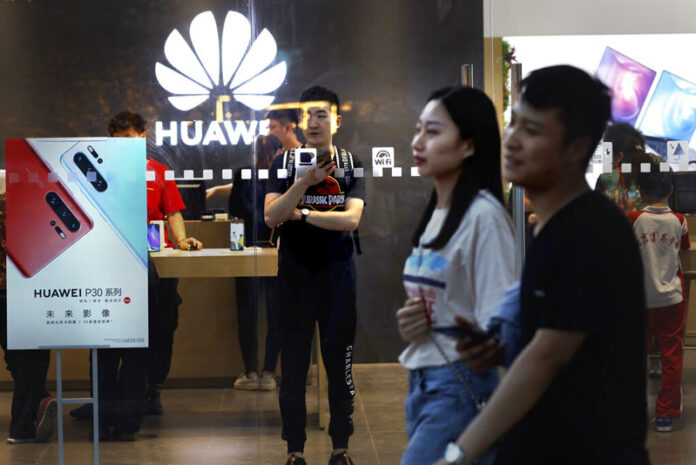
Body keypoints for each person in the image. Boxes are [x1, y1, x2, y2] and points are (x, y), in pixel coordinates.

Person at [435, 65, 649, 465]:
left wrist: (459, 452)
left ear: (575, 147)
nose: (511, 140)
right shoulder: (552, 228)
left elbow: (547, 357)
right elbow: (563, 338)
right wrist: (498, 350)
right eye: (512, 124)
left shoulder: (591, 231)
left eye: (531, 131)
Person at [395, 87, 515, 465]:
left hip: (461, 385)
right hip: (424, 380)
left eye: (432, 132)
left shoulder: (485, 217)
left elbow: (501, 319)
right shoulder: (437, 215)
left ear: (468, 145)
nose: (417, 141)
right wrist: (411, 324)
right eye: (418, 130)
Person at [265, 86, 366, 465]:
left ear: (336, 121)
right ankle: (294, 451)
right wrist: (302, 184)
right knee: (291, 370)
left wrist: (303, 214)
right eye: (308, 115)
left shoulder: (351, 163)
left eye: (322, 114)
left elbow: (351, 220)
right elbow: (271, 216)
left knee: (339, 367)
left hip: (337, 280)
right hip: (293, 280)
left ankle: (341, 447)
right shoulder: (283, 164)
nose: (314, 122)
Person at [628, 159, 690, 432]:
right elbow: (683, 251)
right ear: (671, 190)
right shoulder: (679, 221)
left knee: (633, 357)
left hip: (640, 300)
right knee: (671, 356)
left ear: (640, 190)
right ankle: (665, 414)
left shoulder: (634, 219)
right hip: (672, 300)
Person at [0, 192, 57, 444]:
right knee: (31, 362)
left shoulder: (4, 203)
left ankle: (39, 400)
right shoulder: (40, 204)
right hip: (25, 291)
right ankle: (22, 428)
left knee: (16, 359)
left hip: (4, 292)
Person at [230, 134, 283, 391]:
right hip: (276, 250)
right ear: (278, 151)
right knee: (276, 314)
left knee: (247, 314)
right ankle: (269, 371)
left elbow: (234, 213)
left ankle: (251, 372)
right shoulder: (284, 174)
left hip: (247, 249)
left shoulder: (242, 174)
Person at [207, 109, 302, 200]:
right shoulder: (276, 156)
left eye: (272, 127)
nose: (269, 132)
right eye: (268, 128)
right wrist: (216, 190)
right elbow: (255, 182)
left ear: (287, 128)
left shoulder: (304, 156)